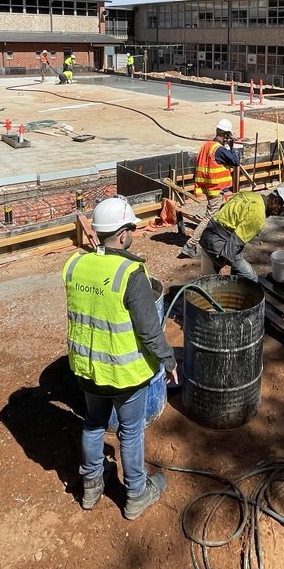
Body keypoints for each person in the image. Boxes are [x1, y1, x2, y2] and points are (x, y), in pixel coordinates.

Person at [63, 196, 177, 519]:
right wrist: (168, 361)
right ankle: (136, 494)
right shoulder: (131, 273)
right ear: (123, 233)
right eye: (132, 229)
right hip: (125, 376)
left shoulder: (75, 265)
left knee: (93, 423)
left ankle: (91, 487)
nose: (133, 235)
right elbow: (149, 331)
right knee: (130, 431)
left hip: (87, 369)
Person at [198, 185, 284, 279]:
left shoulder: (250, 195)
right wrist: (226, 265)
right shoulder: (258, 217)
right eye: (280, 210)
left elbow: (223, 207)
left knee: (227, 271)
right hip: (218, 243)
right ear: (276, 201)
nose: (277, 214)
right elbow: (236, 241)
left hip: (208, 235)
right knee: (250, 277)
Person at [178, 119, 242, 259]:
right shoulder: (219, 150)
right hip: (215, 189)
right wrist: (232, 147)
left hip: (208, 187)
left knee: (218, 214)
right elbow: (236, 161)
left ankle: (217, 239)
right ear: (226, 135)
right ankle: (190, 244)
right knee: (209, 217)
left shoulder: (207, 145)